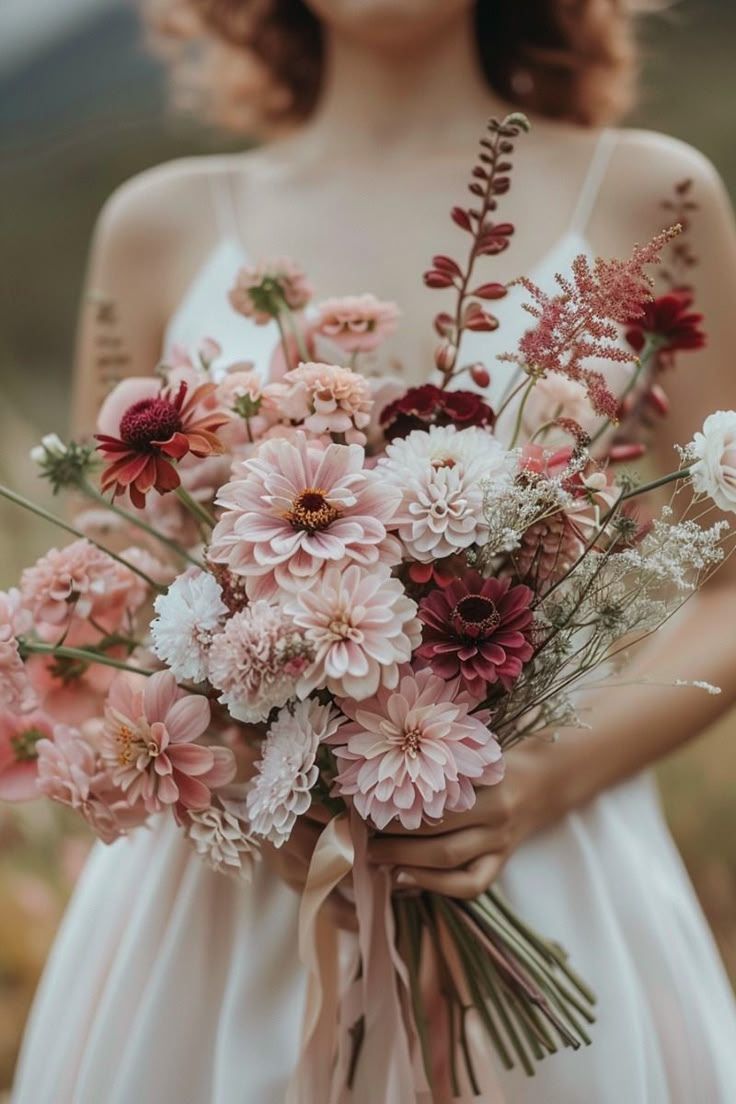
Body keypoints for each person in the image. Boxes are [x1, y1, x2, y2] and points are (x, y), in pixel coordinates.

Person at [12, 2, 736, 1101]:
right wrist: (259, 783)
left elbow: (729, 582)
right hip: (226, 912)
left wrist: (538, 780)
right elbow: (117, 598)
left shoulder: (653, 197)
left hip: (552, 872)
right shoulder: (158, 224)